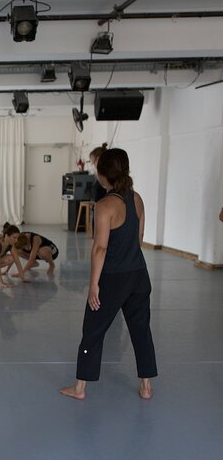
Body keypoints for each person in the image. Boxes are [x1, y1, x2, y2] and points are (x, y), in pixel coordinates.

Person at [60, 148, 157, 401]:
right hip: (139, 274)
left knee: (93, 330)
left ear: (103, 174)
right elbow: (139, 237)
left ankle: (79, 388)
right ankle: (146, 386)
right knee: (141, 330)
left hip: (113, 278)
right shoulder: (136, 199)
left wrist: (94, 285)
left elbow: (100, 248)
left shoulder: (104, 205)